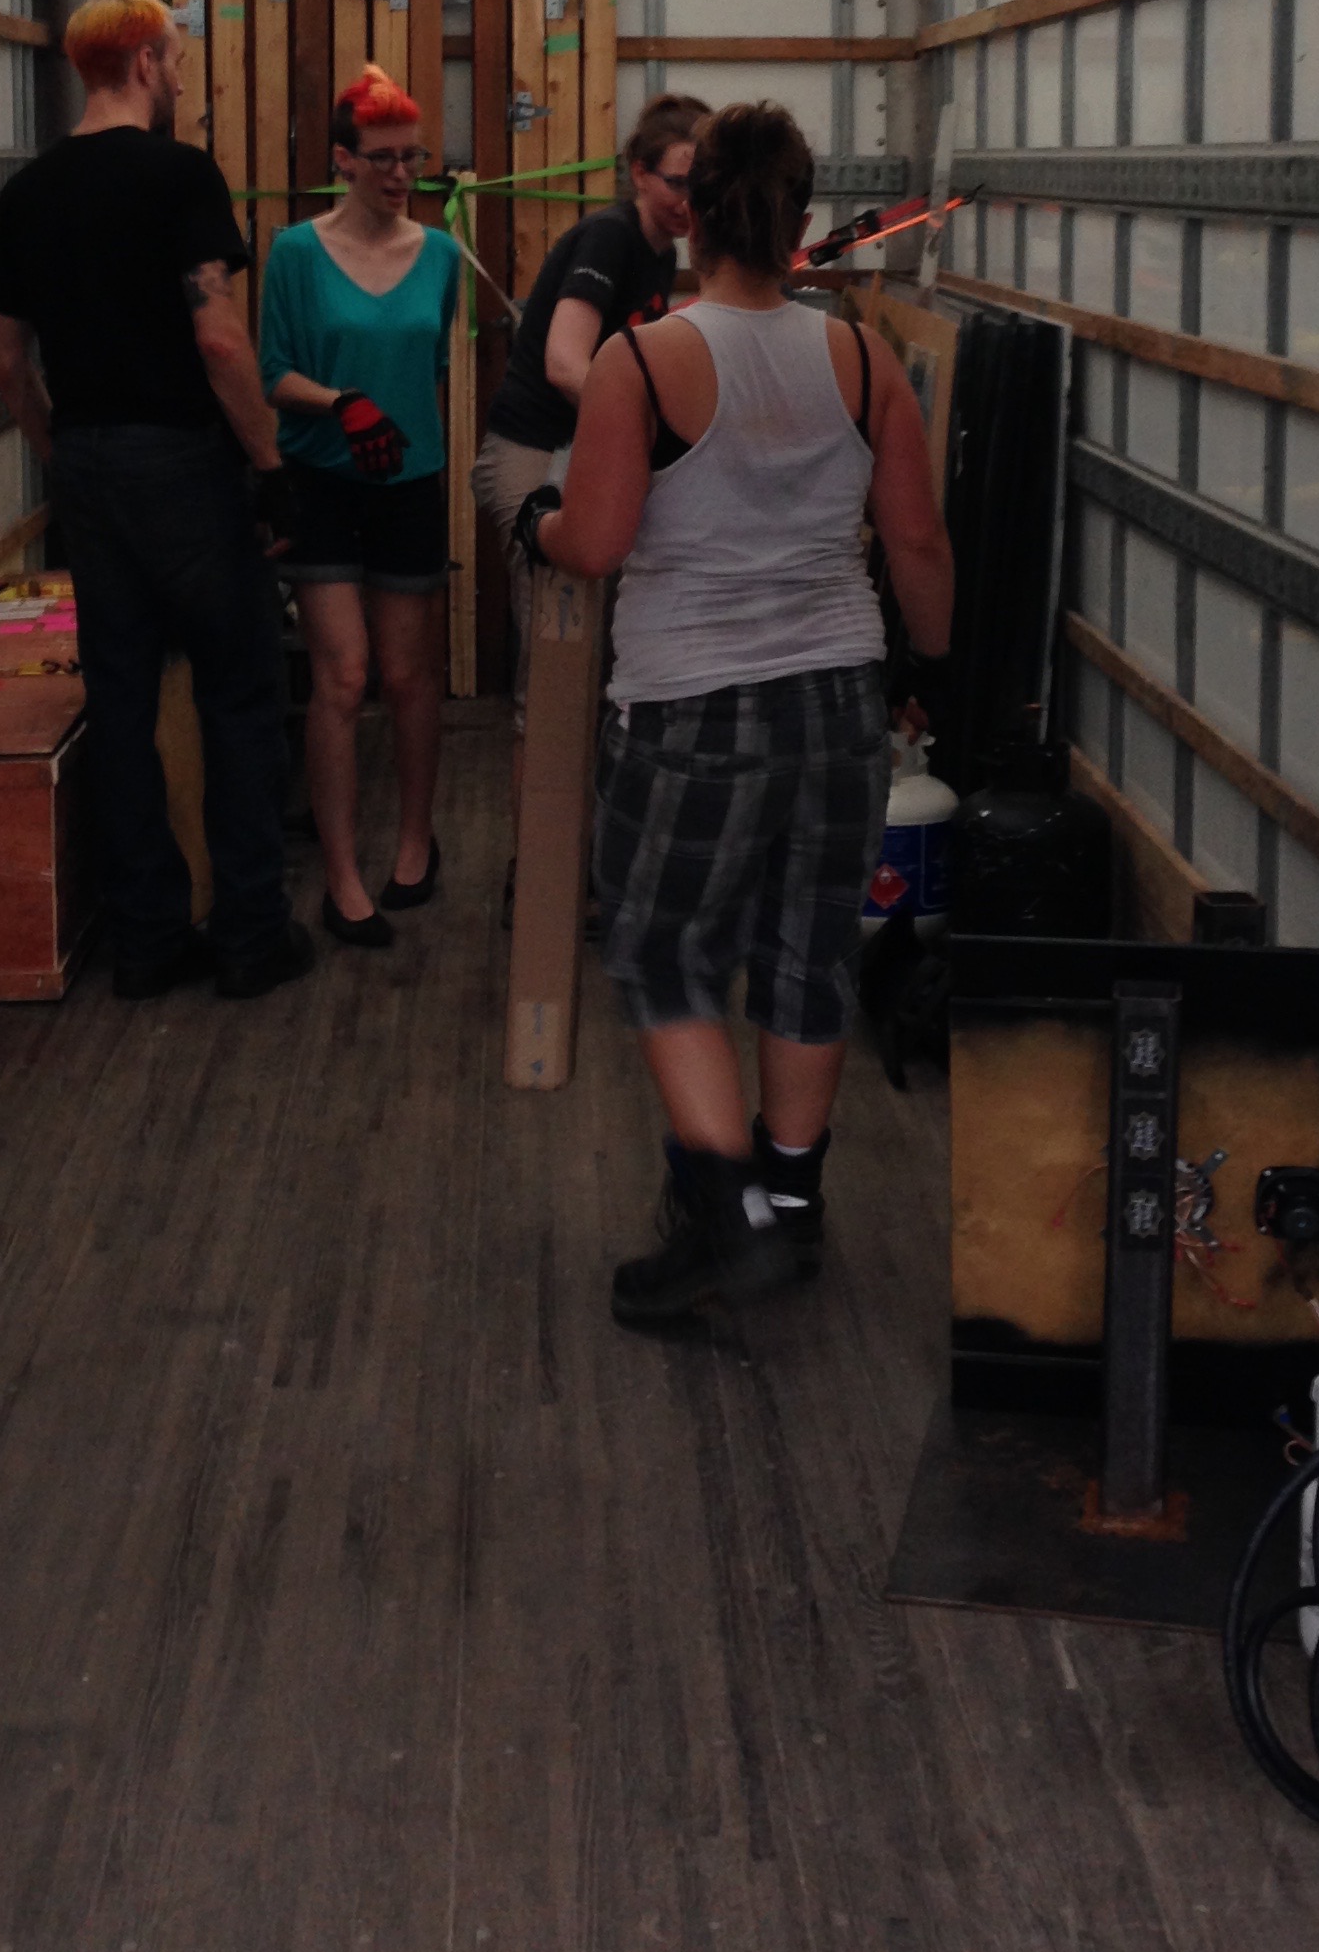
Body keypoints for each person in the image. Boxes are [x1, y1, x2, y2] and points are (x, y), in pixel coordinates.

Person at [519, 100, 956, 1328]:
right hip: (836, 704)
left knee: (665, 951)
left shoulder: (641, 361)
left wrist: (530, 526)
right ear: (802, 223)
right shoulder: (864, 360)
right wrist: (936, 670)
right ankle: (795, 1205)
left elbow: (594, 544)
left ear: (691, 214)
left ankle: (729, 1218)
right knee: (811, 952)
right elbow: (917, 541)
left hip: (691, 708)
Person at [0, 0, 313, 1004]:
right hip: (181, 463)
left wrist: (57, 447)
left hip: (89, 461)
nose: (177, 78)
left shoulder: (28, 192)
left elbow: (4, 360)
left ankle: (146, 942)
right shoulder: (180, 177)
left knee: (121, 701)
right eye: (172, 60)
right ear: (139, 64)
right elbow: (218, 338)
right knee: (239, 691)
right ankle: (253, 934)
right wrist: (270, 467)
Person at [256, 64, 459, 948]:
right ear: (342, 159)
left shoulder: (443, 255)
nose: (399, 174)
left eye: (410, 157)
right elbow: (271, 374)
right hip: (324, 479)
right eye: (380, 158)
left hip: (410, 481)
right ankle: (340, 875)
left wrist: (398, 419)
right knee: (341, 676)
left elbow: (435, 368)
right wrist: (341, 401)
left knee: (410, 677)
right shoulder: (296, 253)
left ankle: (416, 844)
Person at [471, 90, 710, 802]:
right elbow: (566, 363)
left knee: (592, 661)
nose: (687, 199)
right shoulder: (608, 239)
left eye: (701, 186)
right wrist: (652, 426)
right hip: (533, 455)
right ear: (637, 173)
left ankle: (580, 853)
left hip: (583, 455)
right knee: (555, 661)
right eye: (676, 182)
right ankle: (538, 877)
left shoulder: (662, 254)